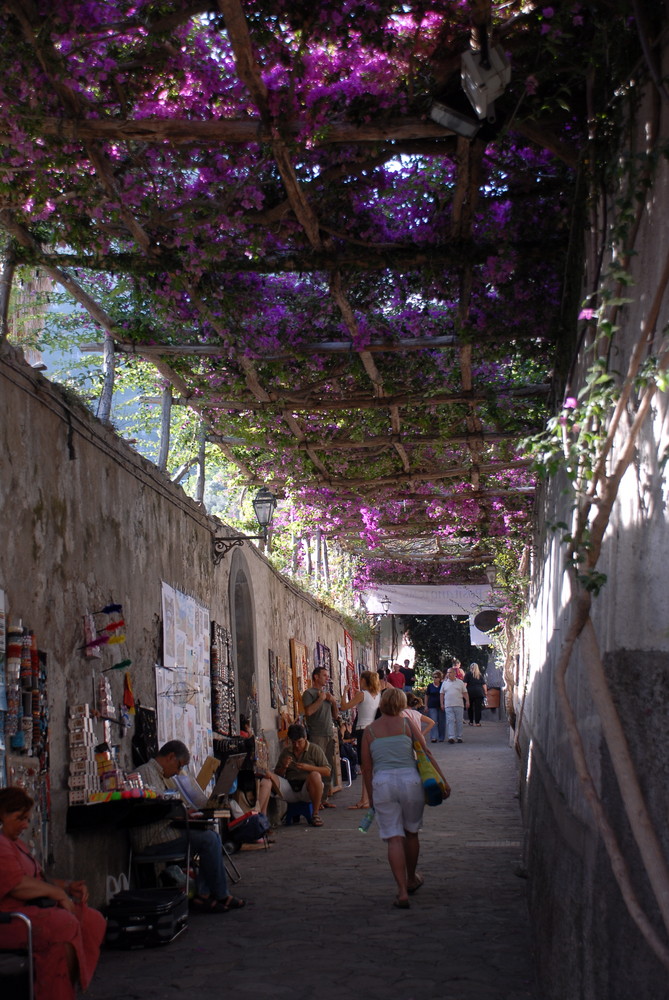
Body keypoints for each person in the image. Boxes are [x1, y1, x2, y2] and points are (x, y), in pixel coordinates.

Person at [0, 786, 106, 1000]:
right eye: (20, 818)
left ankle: (67, 987)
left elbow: (38, 878)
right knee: (63, 925)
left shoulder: (15, 844)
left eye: (27, 819)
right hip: (10, 919)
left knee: (91, 920)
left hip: (32, 910)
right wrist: (58, 895)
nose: (25, 825)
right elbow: (17, 885)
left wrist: (67, 886)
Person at [134, 740, 245, 914]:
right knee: (209, 840)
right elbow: (159, 806)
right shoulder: (146, 773)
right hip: (154, 837)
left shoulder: (159, 775)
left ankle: (207, 894)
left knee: (210, 836)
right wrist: (181, 812)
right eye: (178, 766)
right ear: (170, 757)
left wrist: (185, 812)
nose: (178, 772)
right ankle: (217, 894)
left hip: (166, 830)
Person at [361, 688, 449, 908]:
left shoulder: (370, 731)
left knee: (393, 837)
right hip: (410, 781)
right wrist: (443, 780)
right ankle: (411, 879)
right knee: (411, 832)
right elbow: (426, 752)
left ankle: (401, 891)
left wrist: (371, 798)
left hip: (383, 784)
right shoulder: (407, 725)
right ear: (401, 704)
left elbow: (367, 767)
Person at [255, 724, 331, 826]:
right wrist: (284, 767)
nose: (297, 746)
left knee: (315, 775)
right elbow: (278, 774)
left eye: (300, 742)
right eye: (294, 742)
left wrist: (308, 768)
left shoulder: (315, 749)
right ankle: (260, 817)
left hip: (307, 789)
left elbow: (327, 771)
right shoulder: (286, 751)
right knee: (268, 776)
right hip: (290, 788)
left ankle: (315, 814)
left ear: (305, 738)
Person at [339, 670, 381, 810]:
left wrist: (344, 692)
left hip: (363, 730)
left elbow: (344, 706)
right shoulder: (377, 695)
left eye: (361, 679)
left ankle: (365, 799)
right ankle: (366, 798)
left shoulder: (362, 694)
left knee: (364, 766)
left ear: (365, 680)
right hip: (374, 730)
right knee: (368, 766)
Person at [301, 666, 338, 807]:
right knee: (317, 766)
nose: (326, 678)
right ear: (316, 677)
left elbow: (335, 715)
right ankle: (316, 800)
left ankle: (324, 798)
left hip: (329, 733)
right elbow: (309, 712)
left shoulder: (326, 695)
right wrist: (320, 699)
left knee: (329, 767)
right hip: (317, 735)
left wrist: (333, 702)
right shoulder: (309, 693)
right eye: (324, 675)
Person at [440, 668, 470, 743]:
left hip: (459, 704)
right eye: (447, 672)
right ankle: (451, 737)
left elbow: (465, 692)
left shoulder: (460, 682)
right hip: (448, 705)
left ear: (454, 673)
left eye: (450, 672)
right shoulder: (445, 683)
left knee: (459, 721)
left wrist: (467, 701)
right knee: (450, 721)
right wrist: (442, 703)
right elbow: (442, 694)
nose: (448, 674)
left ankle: (459, 737)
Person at [424, 669, 445, 742]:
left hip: (441, 705)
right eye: (433, 677)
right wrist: (426, 705)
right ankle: (433, 737)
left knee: (441, 722)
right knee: (433, 721)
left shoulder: (443, 685)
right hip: (432, 705)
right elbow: (427, 695)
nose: (434, 678)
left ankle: (441, 737)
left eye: (436, 677)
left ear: (440, 678)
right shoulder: (430, 686)